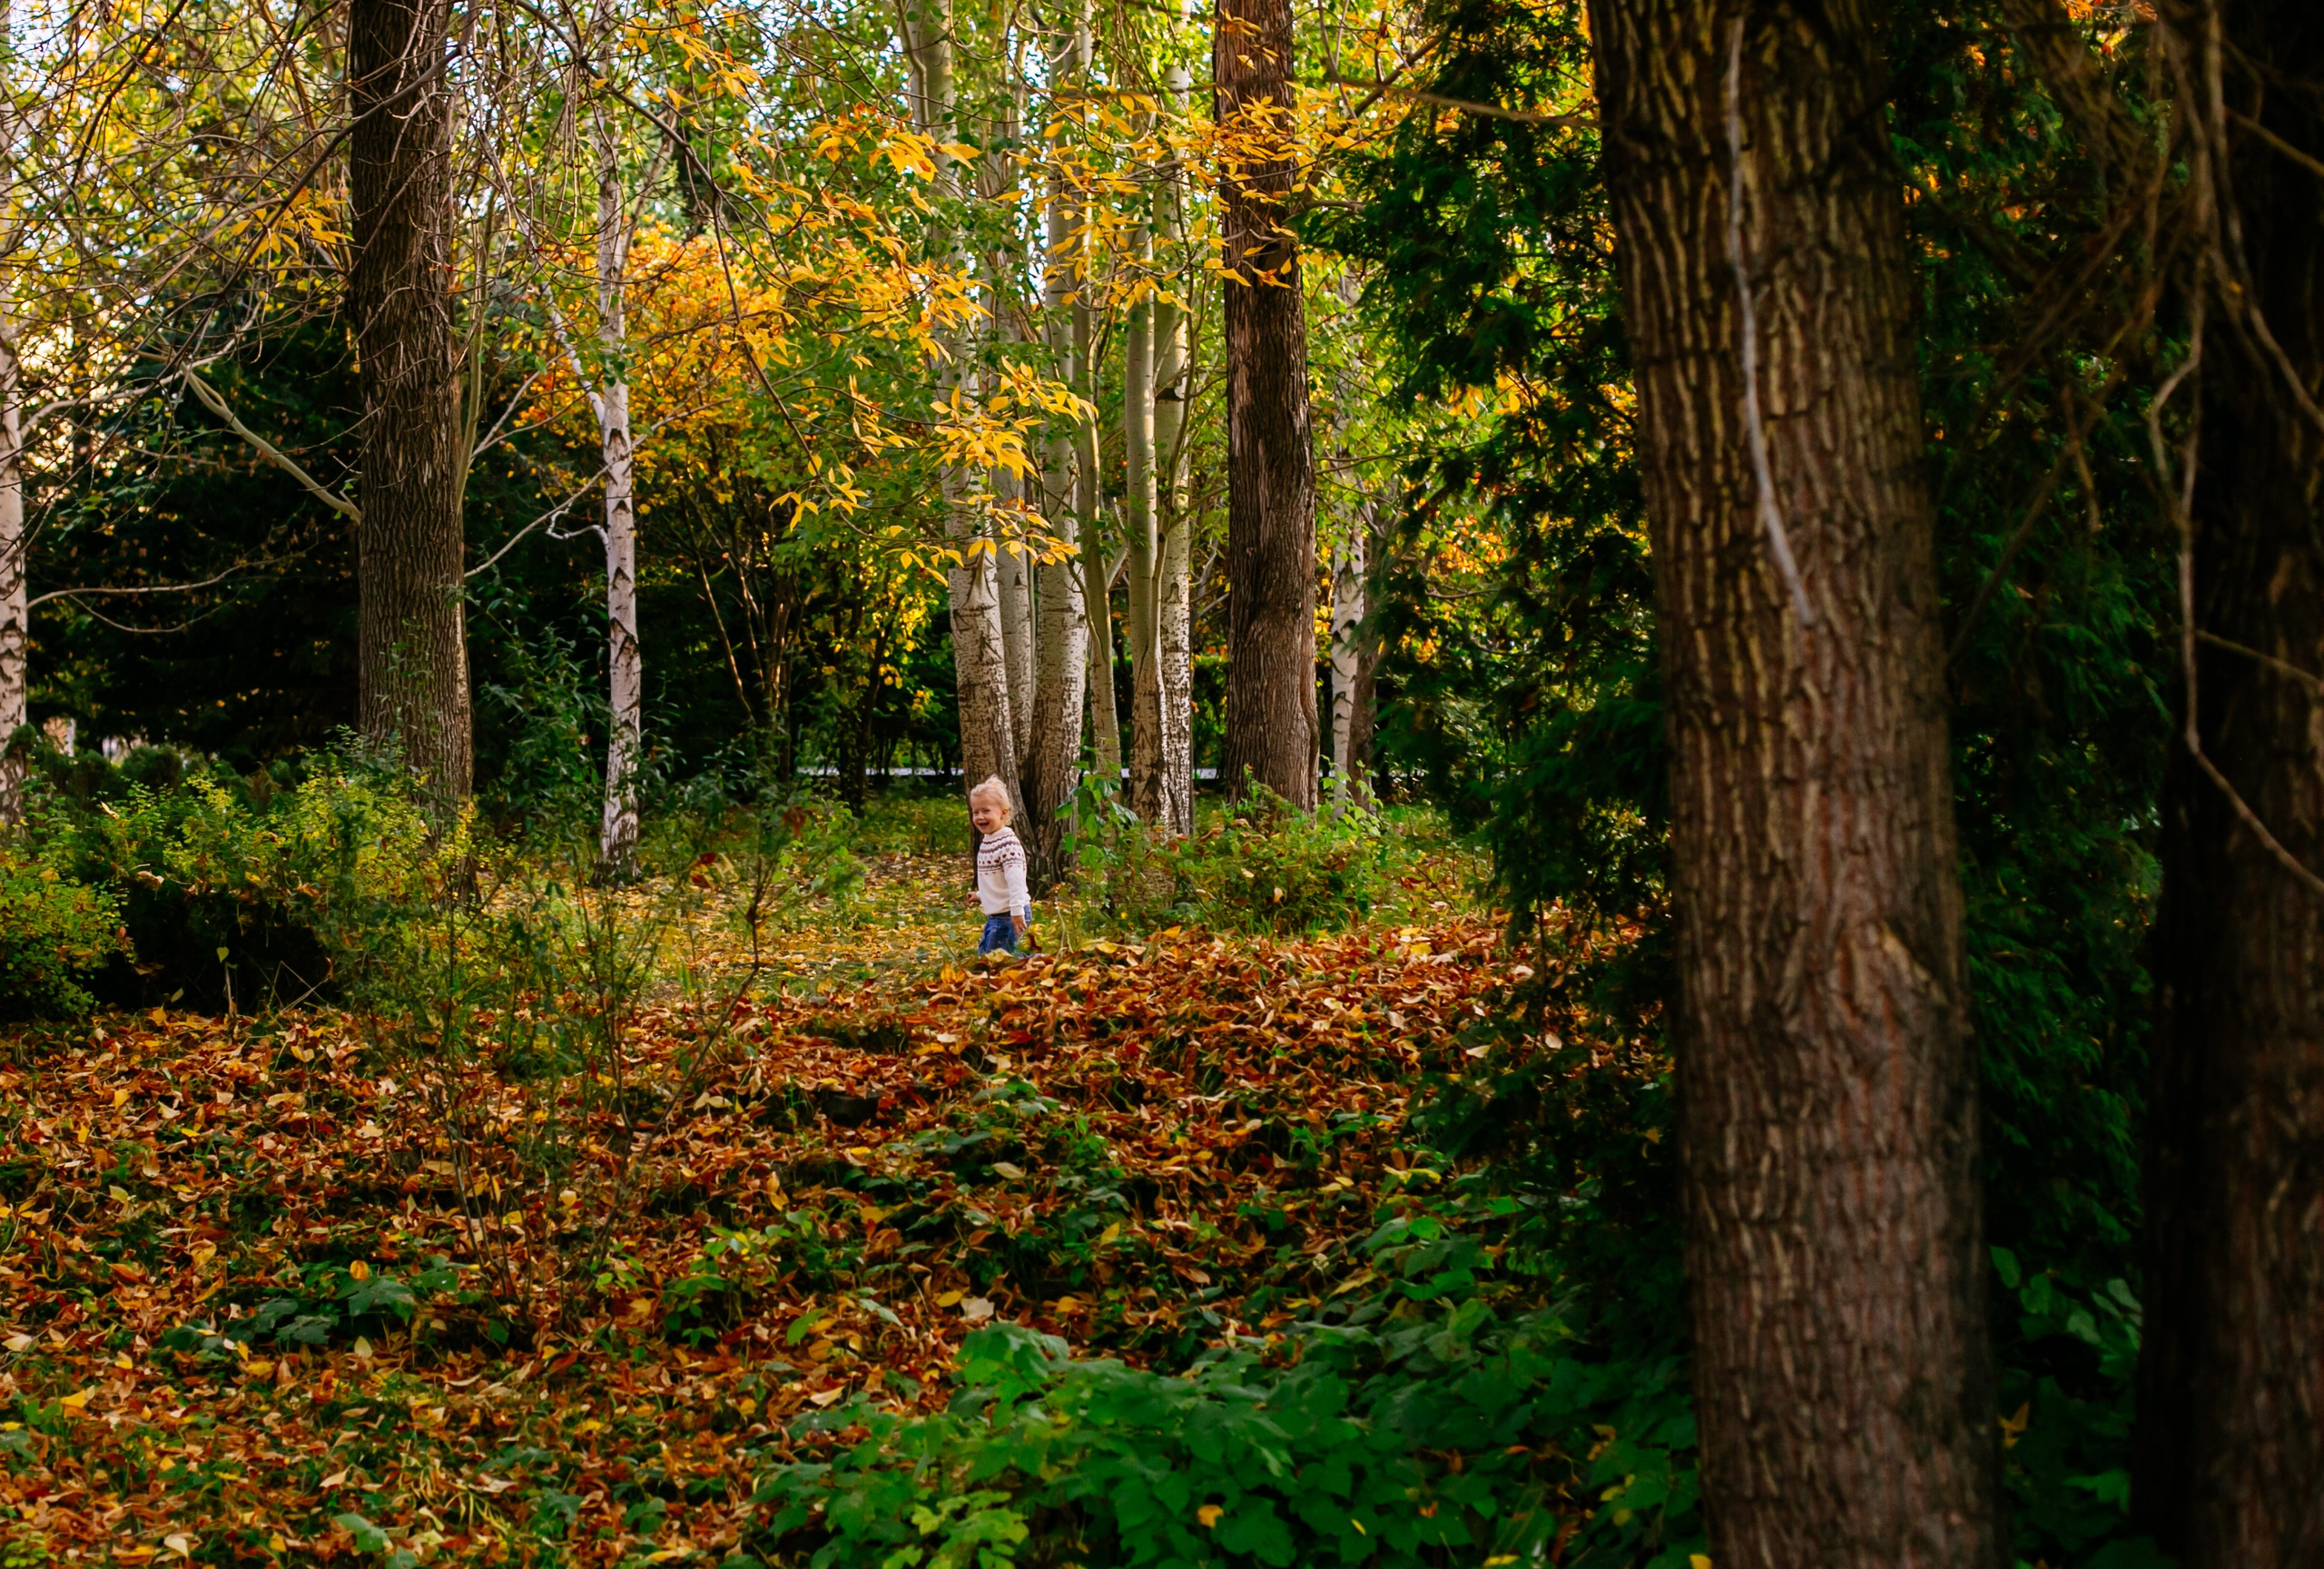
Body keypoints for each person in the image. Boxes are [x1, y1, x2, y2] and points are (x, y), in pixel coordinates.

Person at [965, 775, 1030, 957]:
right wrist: (980, 895)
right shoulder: (989, 841)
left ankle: (1041, 962)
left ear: (1003, 812)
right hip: (997, 915)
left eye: (986, 811)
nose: (980, 817)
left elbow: (1016, 881)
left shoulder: (1007, 844)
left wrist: (1017, 911)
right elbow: (997, 882)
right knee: (985, 956)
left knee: (996, 959)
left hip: (1010, 913)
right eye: (976, 812)